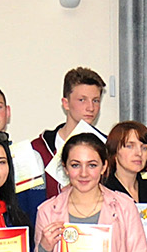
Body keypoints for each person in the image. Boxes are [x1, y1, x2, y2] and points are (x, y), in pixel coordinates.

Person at [32, 66, 108, 196]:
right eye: (82, 100)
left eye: (95, 100)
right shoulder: (39, 148)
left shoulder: (108, 146)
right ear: (66, 103)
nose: (90, 107)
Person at [103, 120, 147, 204]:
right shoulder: (103, 191)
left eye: (144, 148)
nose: (139, 153)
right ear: (114, 151)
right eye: (129, 146)